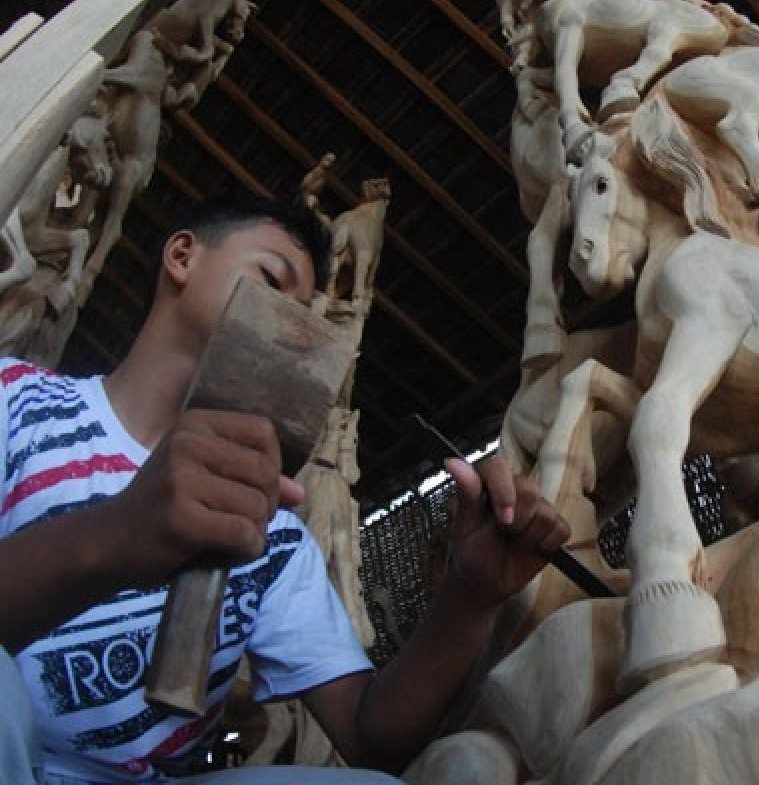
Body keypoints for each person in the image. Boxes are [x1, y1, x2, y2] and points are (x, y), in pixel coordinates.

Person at [0, 197, 570, 783]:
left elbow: (371, 737)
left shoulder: (268, 528)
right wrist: (116, 535)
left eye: (306, 312)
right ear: (182, 255)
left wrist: (469, 595)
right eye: (270, 280)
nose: (291, 324)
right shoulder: (18, 404)